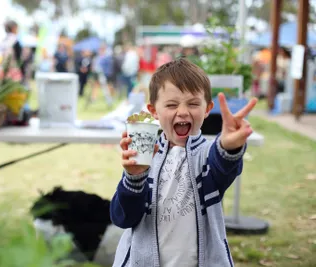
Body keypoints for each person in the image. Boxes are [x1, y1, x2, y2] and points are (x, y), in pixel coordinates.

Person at [110, 58, 257, 267]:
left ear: (208, 109)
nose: (183, 112)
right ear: (153, 111)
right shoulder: (144, 156)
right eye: (171, 105)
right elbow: (122, 218)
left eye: (194, 104)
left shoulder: (208, 155)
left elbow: (223, 166)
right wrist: (134, 178)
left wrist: (228, 146)